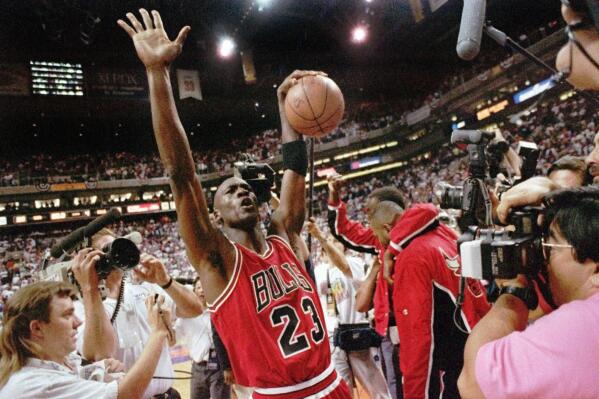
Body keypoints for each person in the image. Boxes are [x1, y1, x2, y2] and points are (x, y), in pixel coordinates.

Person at [118, 9, 350, 399]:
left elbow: (295, 169)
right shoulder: (216, 260)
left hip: (331, 383)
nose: (242, 191)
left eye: (245, 188)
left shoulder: (284, 236)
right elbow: (180, 174)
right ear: (214, 215)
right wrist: (158, 74)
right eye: (229, 191)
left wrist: (287, 113)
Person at [458, 187, 599, 399]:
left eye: (549, 246)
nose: (543, 258)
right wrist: (547, 191)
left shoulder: (584, 324)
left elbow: (473, 383)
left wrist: (514, 292)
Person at [369, 201, 490, 399]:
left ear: (387, 228)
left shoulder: (412, 259)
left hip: (455, 369)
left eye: (376, 235)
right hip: (481, 349)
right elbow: (426, 210)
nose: (378, 241)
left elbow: (418, 340)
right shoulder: (444, 232)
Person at [71, 229, 203, 398]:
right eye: (107, 249)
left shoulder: (144, 288)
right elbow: (99, 354)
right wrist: (90, 287)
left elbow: (195, 309)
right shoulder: (81, 307)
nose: (116, 253)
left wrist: (165, 281)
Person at [0, 281, 170, 399]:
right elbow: (126, 395)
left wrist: (97, 371)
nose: (78, 322)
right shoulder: (36, 385)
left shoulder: (52, 365)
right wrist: (158, 332)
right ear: (37, 328)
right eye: (67, 315)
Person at [327, 176, 404, 399]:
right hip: (389, 327)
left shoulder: (411, 239)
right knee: (394, 382)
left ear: (387, 215)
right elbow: (344, 231)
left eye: (370, 212)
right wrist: (334, 197)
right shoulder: (379, 239)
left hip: (411, 324)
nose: (366, 218)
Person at [307, 218, 391, 399]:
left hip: (357, 333)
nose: (333, 244)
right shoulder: (320, 270)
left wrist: (321, 237)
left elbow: (342, 265)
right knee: (342, 391)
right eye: (331, 241)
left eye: (336, 241)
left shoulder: (355, 263)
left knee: (378, 390)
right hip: (332, 337)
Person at [174, 279, 229, 399]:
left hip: (219, 367)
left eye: (204, 286)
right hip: (197, 368)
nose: (202, 290)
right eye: (198, 288)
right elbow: (173, 339)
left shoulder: (219, 312)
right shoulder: (185, 316)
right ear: (193, 292)